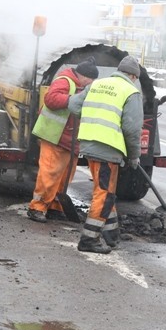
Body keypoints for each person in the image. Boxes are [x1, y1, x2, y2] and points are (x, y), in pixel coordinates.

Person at [69, 55, 143, 254]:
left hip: (89, 144)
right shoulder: (131, 91)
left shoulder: (97, 84)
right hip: (107, 148)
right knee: (104, 194)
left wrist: (93, 119)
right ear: (134, 76)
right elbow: (132, 129)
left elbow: (73, 105)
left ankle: (111, 235)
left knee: (105, 191)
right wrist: (134, 156)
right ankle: (89, 239)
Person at [27, 58, 99, 223]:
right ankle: (37, 207)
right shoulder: (64, 81)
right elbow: (51, 100)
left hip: (71, 139)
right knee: (50, 173)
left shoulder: (82, 86)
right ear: (83, 76)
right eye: (90, 80)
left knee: (66, 176)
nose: (92, 83)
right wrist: (73, 99)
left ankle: (55, 206)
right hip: (55, 137)